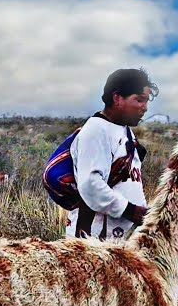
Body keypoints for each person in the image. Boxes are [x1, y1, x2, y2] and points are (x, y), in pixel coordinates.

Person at [65, 67, 157, 240]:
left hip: (117, 242)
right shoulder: (96, 130)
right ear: (117, 98)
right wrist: (131, 211)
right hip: (93, 243)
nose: (144, 108)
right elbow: (91, 185)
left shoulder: (125, 131)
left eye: (146, 101)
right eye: (139, 100)